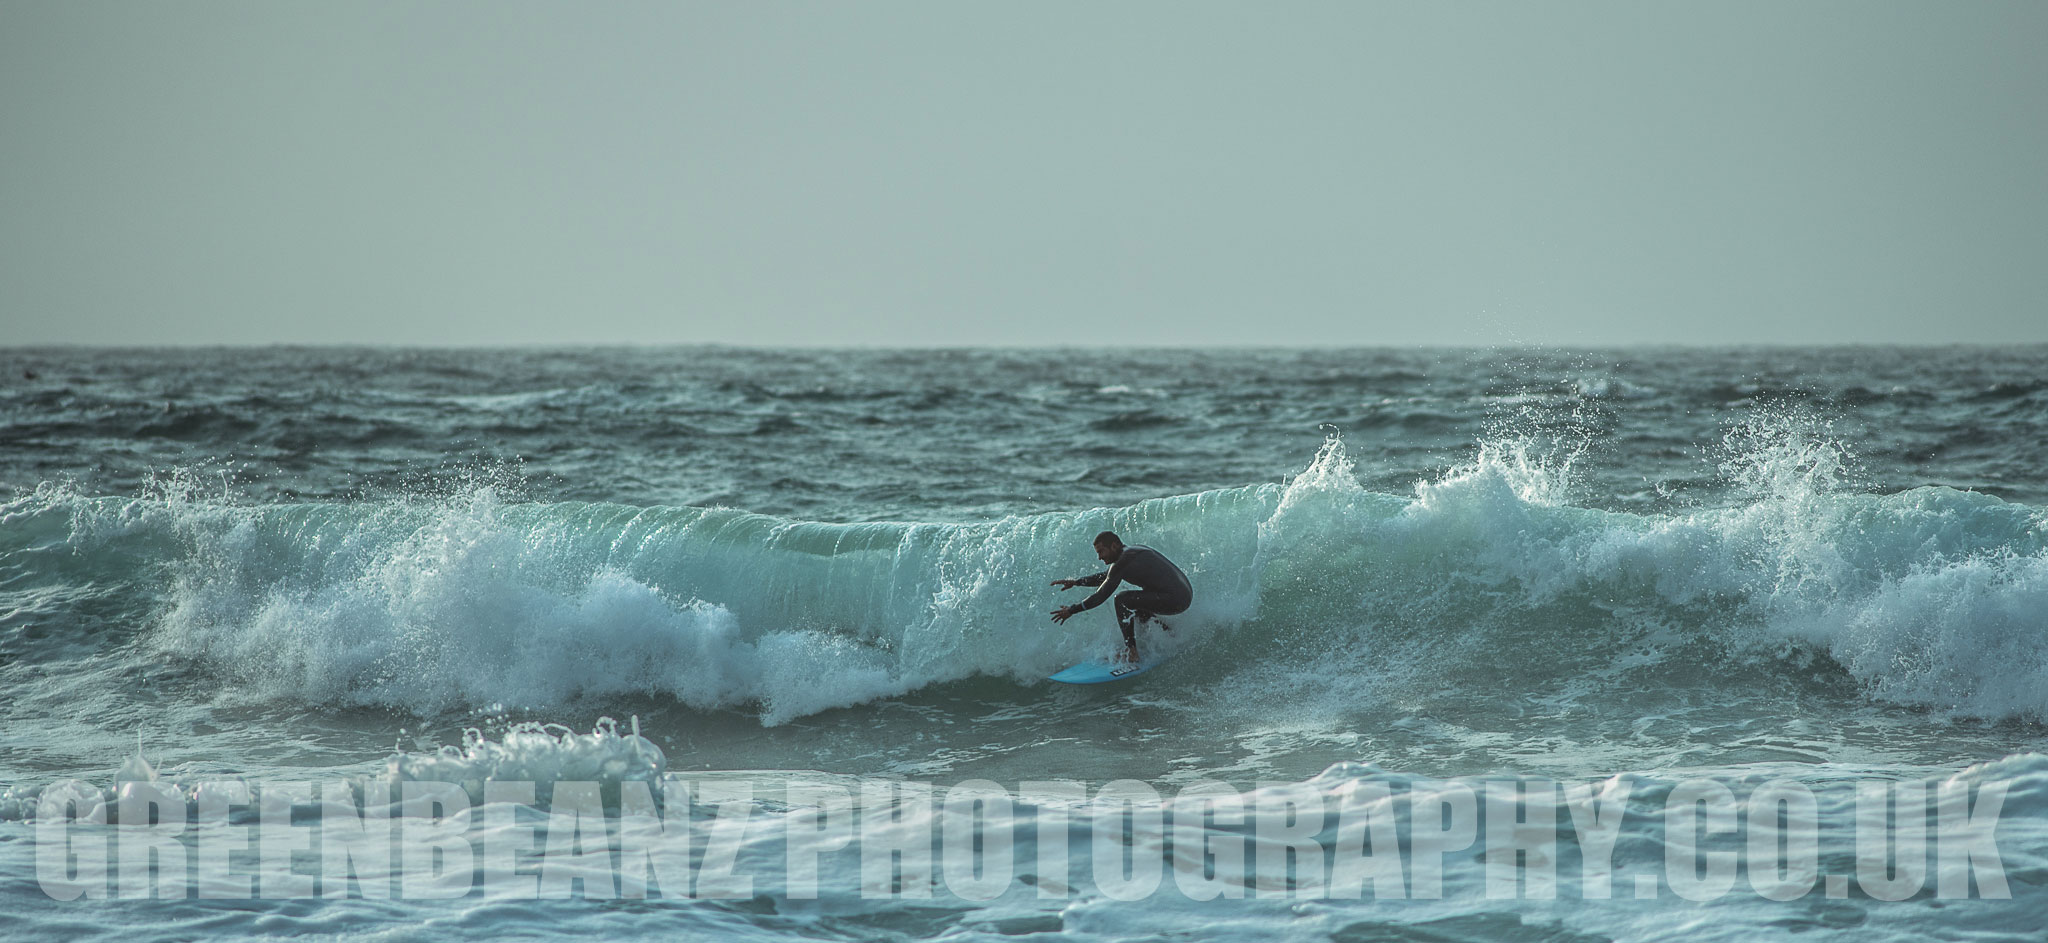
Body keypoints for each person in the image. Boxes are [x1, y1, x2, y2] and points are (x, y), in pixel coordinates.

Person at [1050, 531, 1192, 663]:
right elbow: (1106, 577)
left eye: (1101, 551)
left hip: (1175, 599)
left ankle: (1132, 652)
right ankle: (1169, 634)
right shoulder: (1132, 552)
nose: (1099, 557)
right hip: (1183, 595)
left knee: (1122, 600)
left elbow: (1100, 596)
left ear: (1114, 546)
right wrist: (1077, 582)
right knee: (1136, 604)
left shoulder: (1122, 561)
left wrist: (1072, 610)